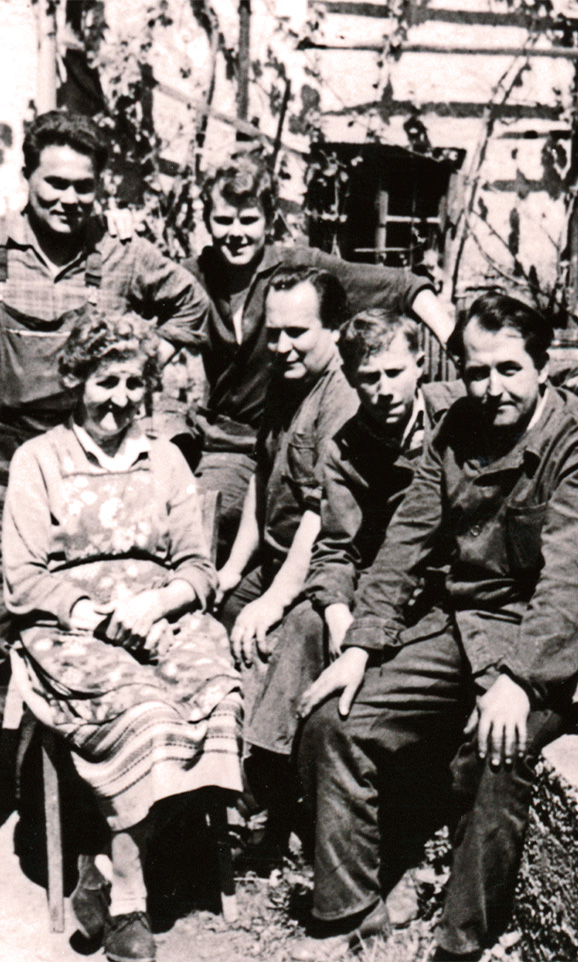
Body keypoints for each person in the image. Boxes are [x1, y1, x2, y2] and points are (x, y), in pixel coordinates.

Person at [296, 290, 578, 961]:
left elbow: (569, 578)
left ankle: (458, 945)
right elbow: (406, 542)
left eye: (508, 368)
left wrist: (522, 680)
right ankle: (350, 912)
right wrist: (361, 647)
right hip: (463, 620)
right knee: (334, 718)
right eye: (476, 371)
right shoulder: (457, 430)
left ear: (542, 363)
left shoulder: (571, 440)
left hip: (546, 634)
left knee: (497, 751)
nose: (490, 387)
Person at [3, 313, 242, 962]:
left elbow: (197, 568)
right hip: (70, 628)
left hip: (162, 616)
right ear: (77, 381)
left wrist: (160, 602)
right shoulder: (39, 461)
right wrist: (101, 617)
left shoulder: (163, 460)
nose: (121, 399)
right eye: (106, 382)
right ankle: (131, 895)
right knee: (145, 712)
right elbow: (22, 580)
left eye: (135, 385)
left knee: (218, 695)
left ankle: (101, 868)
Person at [0, 109, 210, 653]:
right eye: (56, 184)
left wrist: (146, 360)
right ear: (27, 177)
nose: (69, 199)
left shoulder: (120, 251)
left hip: (96, 471)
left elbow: (194, 308)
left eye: (83, 187)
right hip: (8, 462)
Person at [240, 310, 461, 822]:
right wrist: (338, 608)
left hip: (439, 586)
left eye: (393, 374)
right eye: (368, 378)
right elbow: (337, 547)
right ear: (350, 375)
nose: (382, 391)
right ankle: (268, 778)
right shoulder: (345, 445)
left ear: (420, 366)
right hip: (372, 585)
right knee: (306, 621)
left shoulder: (454, 420)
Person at [184, 155, 454, 561]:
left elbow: (404, 285)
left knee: (227, 516)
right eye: (223, 221)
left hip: (281, 434)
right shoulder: (193, 275)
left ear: (270, 220)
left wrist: (456, 343)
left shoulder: (300, 270)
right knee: (174, 510)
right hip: (218, 437)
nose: (235, 233)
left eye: (248, 220)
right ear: (206, 221)